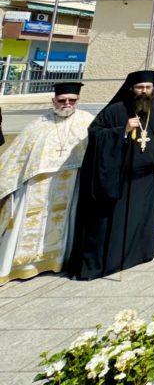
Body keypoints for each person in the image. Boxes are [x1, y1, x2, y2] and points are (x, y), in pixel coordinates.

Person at [68, 71, 154, 280]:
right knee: (114, 224)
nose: (144, 91)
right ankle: (112, 260)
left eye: (148, 87)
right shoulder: (115, 111)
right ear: (131, 88)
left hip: (148, 180)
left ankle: (139, 254)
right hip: (120, 180)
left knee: (142, 222)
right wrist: (123, 130)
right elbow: (96, 135)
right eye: (140, 87)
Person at [0, 83, 93, 284]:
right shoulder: (38, 125)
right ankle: (25, 266)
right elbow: (17, 157)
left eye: (72, 100)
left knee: (65, 223)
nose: (67, 104)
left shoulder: (87, 121)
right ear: (54, 101)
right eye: (62, 100)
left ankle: (58, 261)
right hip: (37, 187)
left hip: (70, 183)